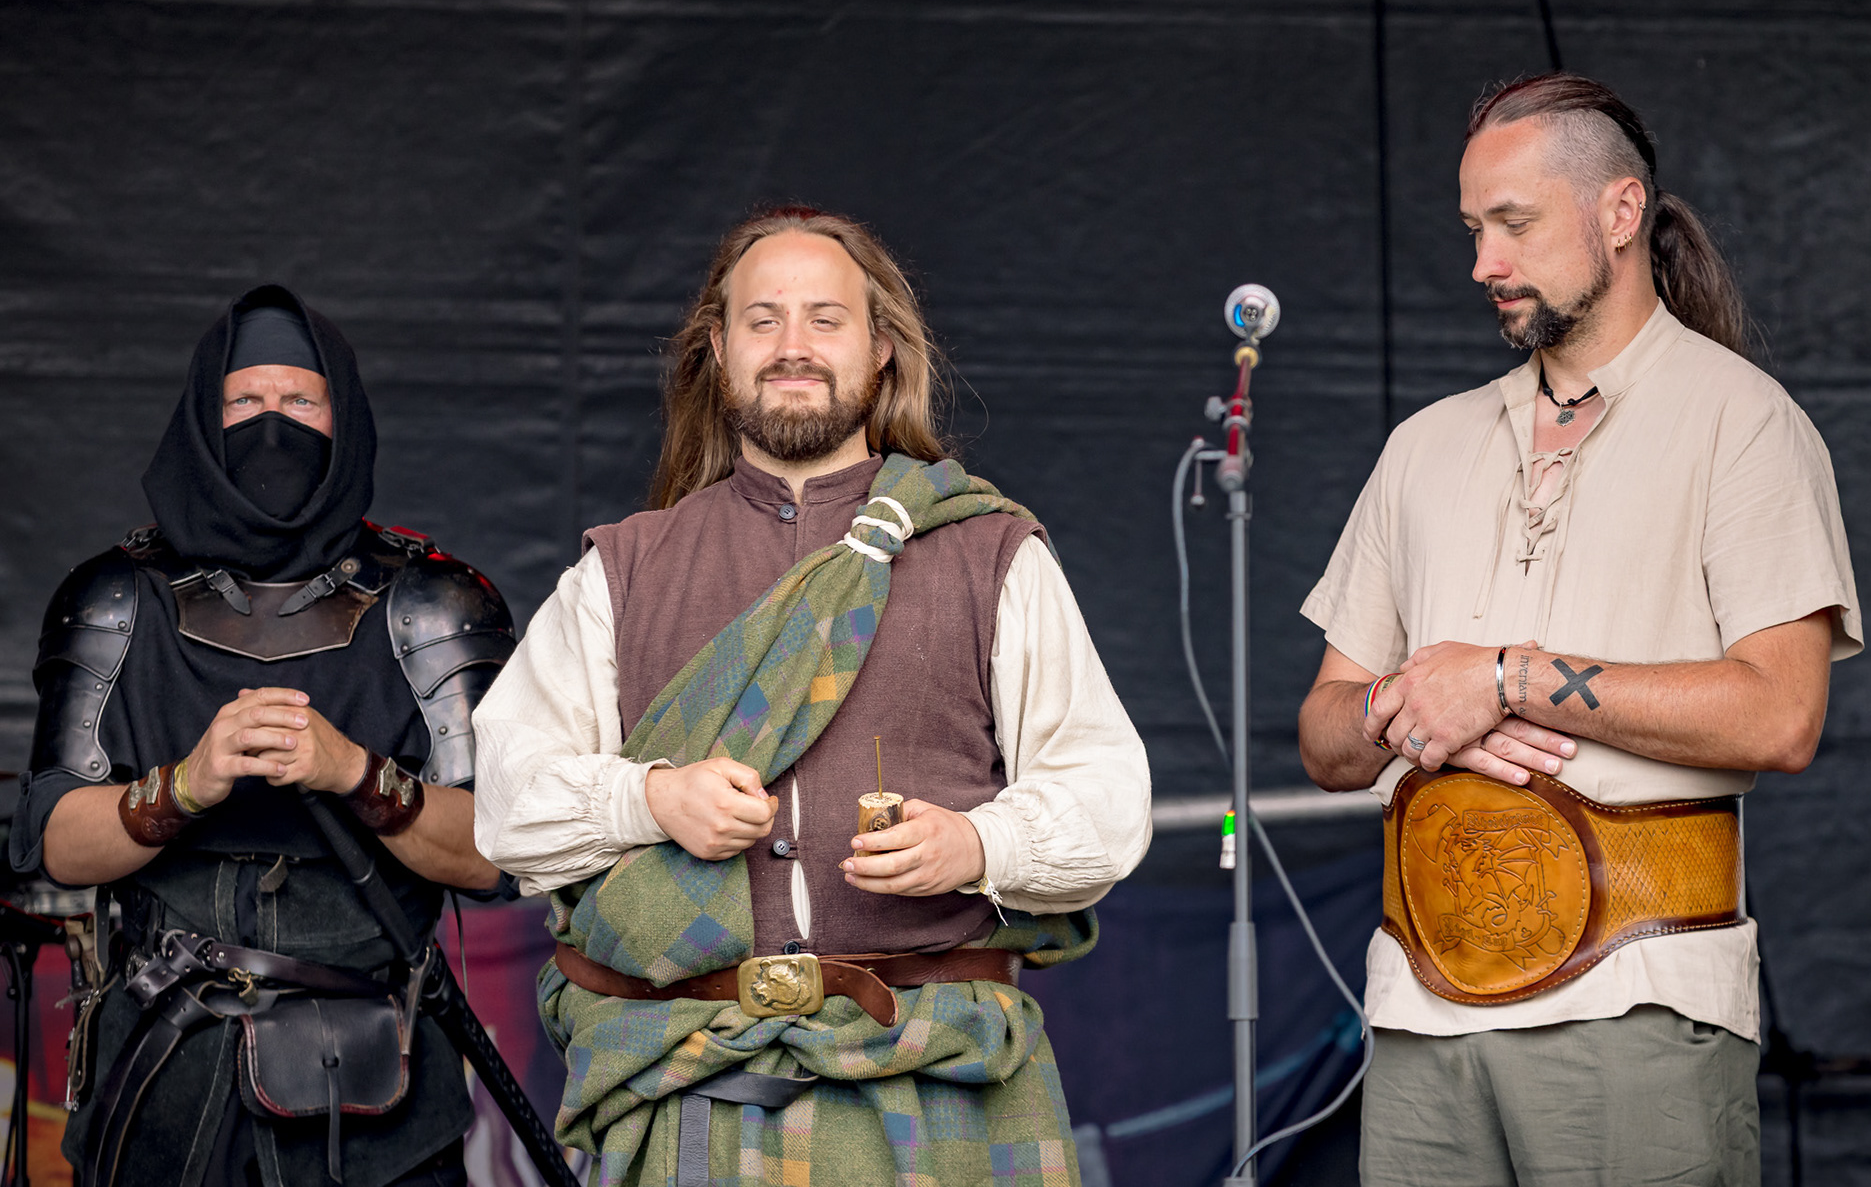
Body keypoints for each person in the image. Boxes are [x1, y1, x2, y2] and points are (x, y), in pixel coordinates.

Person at [474, 207, 1150, 1186]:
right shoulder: (625, 568)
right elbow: (504, 799)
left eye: (826, 320)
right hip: (691, 1088)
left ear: (881, 350)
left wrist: (978, 844)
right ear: (718, 349)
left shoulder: (990, 552)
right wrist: (650, 799)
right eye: (764, 320)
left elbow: (1107, 795)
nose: (794, 347)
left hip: (938, 1078)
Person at [1296, 73, 1860, 1187]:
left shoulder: (1743, 423)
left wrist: (1508, 677)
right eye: (1471, 230)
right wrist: (1414, 707)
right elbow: (1323, 735)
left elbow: (1783, 716)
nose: (1483, 264)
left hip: (1637, 1003)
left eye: (1514, 224)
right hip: (1419, 1013)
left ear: (1619, 212)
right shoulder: (1424, 446)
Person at [13, 285, 516, 1187]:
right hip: (160, 1083)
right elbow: (55, 846)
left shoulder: (434, 605)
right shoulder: (115, 600)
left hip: (378, 1101)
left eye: (299, 402)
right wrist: (184, 786)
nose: (270, 425)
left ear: (343, 417)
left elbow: (494, 857)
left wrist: (359, 774)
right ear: (204, 418)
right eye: (244, 401)